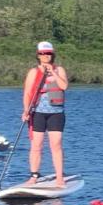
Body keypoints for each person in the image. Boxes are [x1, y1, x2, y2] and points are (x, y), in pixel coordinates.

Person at [22, 41, 69, 185]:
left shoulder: (59, 70)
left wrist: (52, 72)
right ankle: (34, 176)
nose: (45, 56)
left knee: (56, 144)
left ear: (52, 55)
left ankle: (59, 176)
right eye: (42, 54)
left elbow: (64, 86)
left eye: (48, 53)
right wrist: (25, 111)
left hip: (56, 113)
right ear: (38, 55)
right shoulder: (33, 72)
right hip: (38, 113)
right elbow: (27, 94)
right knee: (36, 145)